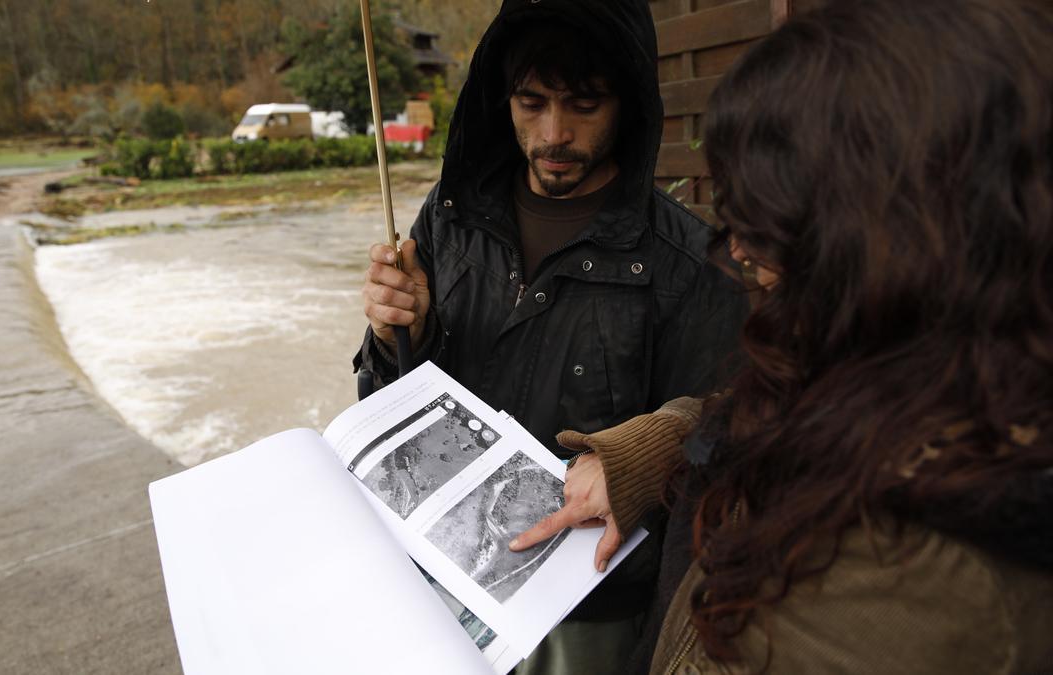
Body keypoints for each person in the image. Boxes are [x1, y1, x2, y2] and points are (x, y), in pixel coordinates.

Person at [516, 0, 1053, 671]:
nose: (738, 249)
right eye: (530, 102)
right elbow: (775, 404)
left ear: (902, 238)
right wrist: (651, 452)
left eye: (770, 222)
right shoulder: (908, 362)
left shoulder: (928, 583)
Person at [356, 0, 745, 672]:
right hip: (442, 577)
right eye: (531, 103)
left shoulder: (684, 262)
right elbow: (389, 404)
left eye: (584, 105)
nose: (553, 133)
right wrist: (400, 333)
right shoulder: (450, 218)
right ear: (501, 96)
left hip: (586, 616)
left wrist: (632, 466)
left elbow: (725, 435)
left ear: (627, 105)